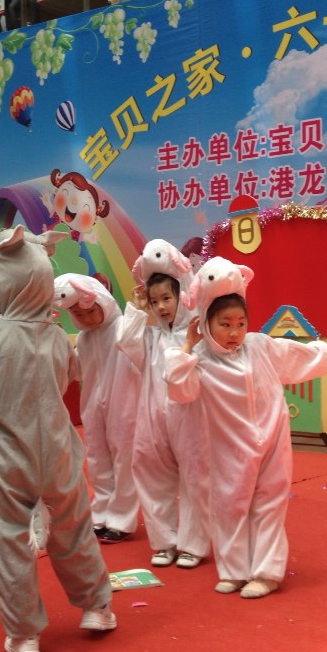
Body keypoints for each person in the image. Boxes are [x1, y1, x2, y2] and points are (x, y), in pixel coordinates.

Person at [0, 226, 115, 652]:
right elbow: (67, 376)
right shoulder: (55, 336)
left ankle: (24, 634)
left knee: (9, 539)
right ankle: (97, 607)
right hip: (58, 449)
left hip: (4, 457)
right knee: (73, 528)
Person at [164, 257, 327, 599]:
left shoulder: (258, 345)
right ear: (205, 322)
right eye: (225, 324)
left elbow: (298, 356)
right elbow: (179, 390)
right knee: (229, 506)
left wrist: (322, 351)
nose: (234, 332)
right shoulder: (201, 362)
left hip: (272, 439)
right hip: (228, 447)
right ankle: (234, 571)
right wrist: (187, 346)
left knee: (270, 503)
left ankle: (266, 573)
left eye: (241, 323)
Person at [117, 239, 211, 570]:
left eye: (167, 298)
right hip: (152, 419)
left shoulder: (197, 333)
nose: (161, 307)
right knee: (150, 473)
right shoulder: (151, 336)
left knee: (195, 479)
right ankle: (164, 541)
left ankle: (193, 544)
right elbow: (125, 342)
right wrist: (137, 308)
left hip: (191, 415)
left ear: (181, 294)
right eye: (154, 301)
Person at [53, 273, 140, 543]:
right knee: (97, 459)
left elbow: (138, 351)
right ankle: (101, 512)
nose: (87, 319)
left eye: (91, 311)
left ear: (102, 300)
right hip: (93, 405)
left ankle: (122, 519)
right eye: (79, 314)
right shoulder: (85, 338)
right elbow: (78, 371)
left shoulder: (122, 328)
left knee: (124, 460)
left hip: (123, 403)